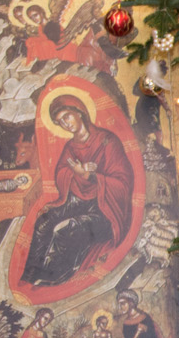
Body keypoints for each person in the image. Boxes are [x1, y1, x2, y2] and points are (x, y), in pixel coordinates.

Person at [20, 94, 135, 288]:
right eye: (59, 122)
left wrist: (91, 176)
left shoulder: (108, 141)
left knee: (68, 228)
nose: (65, 124)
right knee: (44, 221)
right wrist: (76, 174)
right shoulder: (71, 146)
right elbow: (61, 173)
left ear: (80, 112)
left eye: (67, 117)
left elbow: (123, 182)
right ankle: (31, 273)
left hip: (105, 209)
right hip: (79, 200)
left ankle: (53, 275)